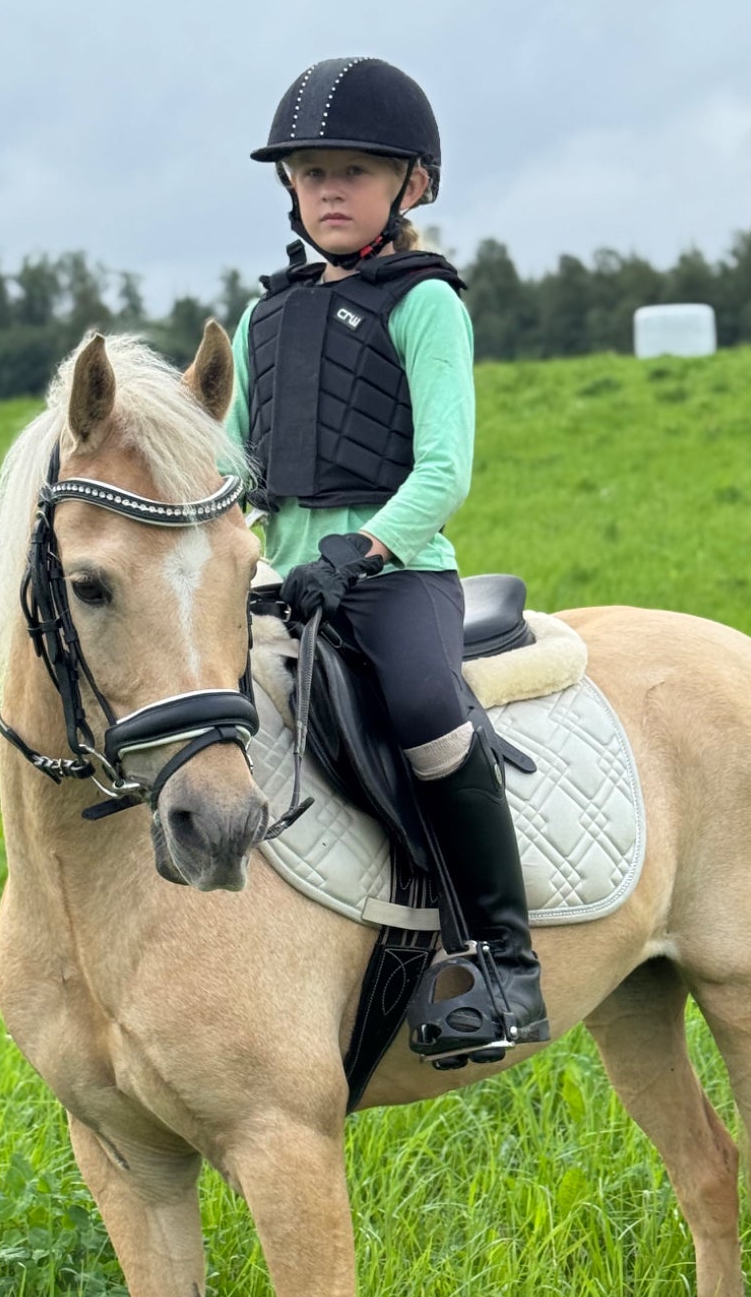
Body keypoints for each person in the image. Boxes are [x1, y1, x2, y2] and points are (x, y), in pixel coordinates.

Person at [223, 55, 549, 1064]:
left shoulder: (426, 303)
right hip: (281, 576)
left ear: (410, 184)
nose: (329, 188)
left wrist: (359, 550)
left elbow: (446, 469)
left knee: (420, 704)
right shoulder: (262, 316)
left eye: (354, 171)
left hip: (398, 574)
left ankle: (506, 960)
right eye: (311, 170)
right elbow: (233, 454)